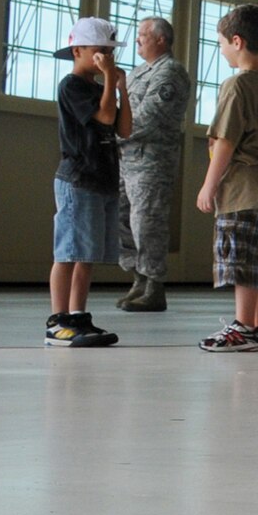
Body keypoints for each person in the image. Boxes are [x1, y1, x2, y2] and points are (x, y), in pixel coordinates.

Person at [196, 4, 258, 354]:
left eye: (221, 43)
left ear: (237, 41)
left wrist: (209, 184)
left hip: (243, 186)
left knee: (241, 260)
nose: (220, 50)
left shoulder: (236, 85)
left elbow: (226, 139)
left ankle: (242, 327)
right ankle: (256, 326)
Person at [48, 16, 130, 349]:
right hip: (78, 179)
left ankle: (78, 315)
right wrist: (110, 78)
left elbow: (123, 128)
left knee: (88, 253)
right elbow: (104, 117)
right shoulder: (72, 86)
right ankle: (58, 321)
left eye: (110, 53)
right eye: (100, 52)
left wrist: (122, 89)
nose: (106, 59)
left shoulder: (101, 87)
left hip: (103, 178)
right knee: (68, 252)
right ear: (78, 50)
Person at [115, 17, 192, 313]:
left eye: (143, 35)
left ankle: (154, 285)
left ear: (161, 39)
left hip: (151, 163)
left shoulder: (170, 73)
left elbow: (148, 118)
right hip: (125, 160)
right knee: (121, 220)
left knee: (147, 223)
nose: (137, 40)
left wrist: (114, 133)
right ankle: (138, 279)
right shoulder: (136, 74)